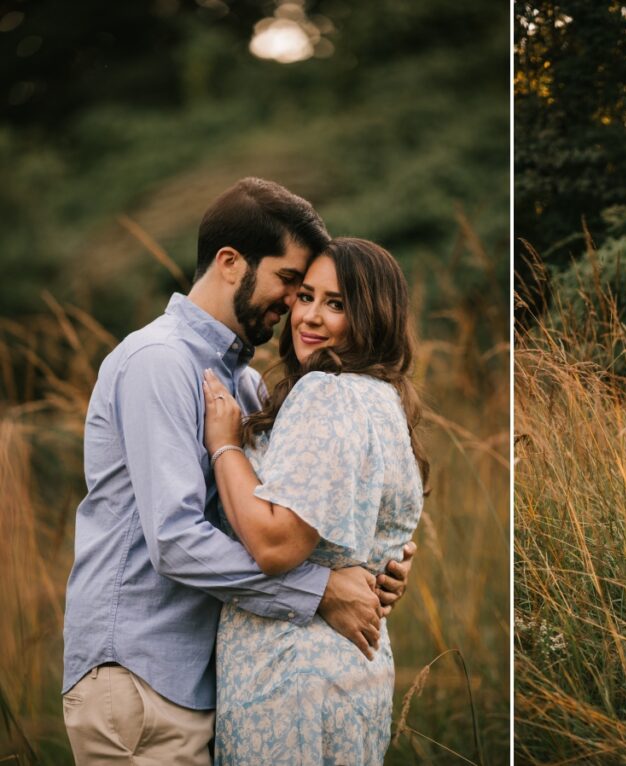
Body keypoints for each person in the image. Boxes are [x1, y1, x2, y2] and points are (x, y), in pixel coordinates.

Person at [62, 178, 414, 765]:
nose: (293, 304)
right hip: (141, 679)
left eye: (315, 294)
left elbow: (271, 514)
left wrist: (375, 563)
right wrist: (320, 591)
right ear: (231, 263)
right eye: (290, 283)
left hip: (209, 681)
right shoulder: (160, 362)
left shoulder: (247, 385)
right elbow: (174, 542)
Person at [201, 237, 426, 765]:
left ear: (373, 315)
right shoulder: (385, 400)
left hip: (288, 673)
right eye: (306, 296)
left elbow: (277, 545)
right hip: (356, 668)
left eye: (337, 304)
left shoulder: (326, 392)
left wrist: (225, 445)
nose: (312, 317)